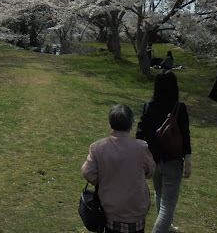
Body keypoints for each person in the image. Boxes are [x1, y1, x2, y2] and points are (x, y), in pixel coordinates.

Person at [82, 103, 156, 233]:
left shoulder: (98, 147)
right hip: (136, 210)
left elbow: (88, 173)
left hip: (110, 210)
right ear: (131, 124)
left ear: (111, 123)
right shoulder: (141, 148)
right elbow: (150, 172)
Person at [137, 71, 192, 233]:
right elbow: (185, 135)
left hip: (153, 161)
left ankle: (166, 228)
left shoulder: (149, 106)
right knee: (168, 204)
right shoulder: (179, 108)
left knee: (160, 194)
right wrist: (188, 161)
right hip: (173, 162)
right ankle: (162, 228)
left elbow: (140, 134)